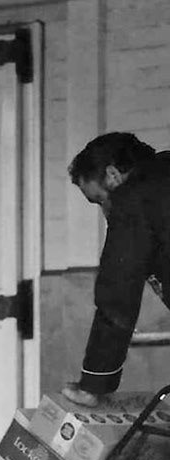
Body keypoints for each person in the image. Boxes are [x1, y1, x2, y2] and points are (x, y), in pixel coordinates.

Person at [63, 130, 170, 406]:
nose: (105, 211)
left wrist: (93, 383)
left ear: (112, 175)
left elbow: (118, 294)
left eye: (99, 200)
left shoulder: (133, 197)